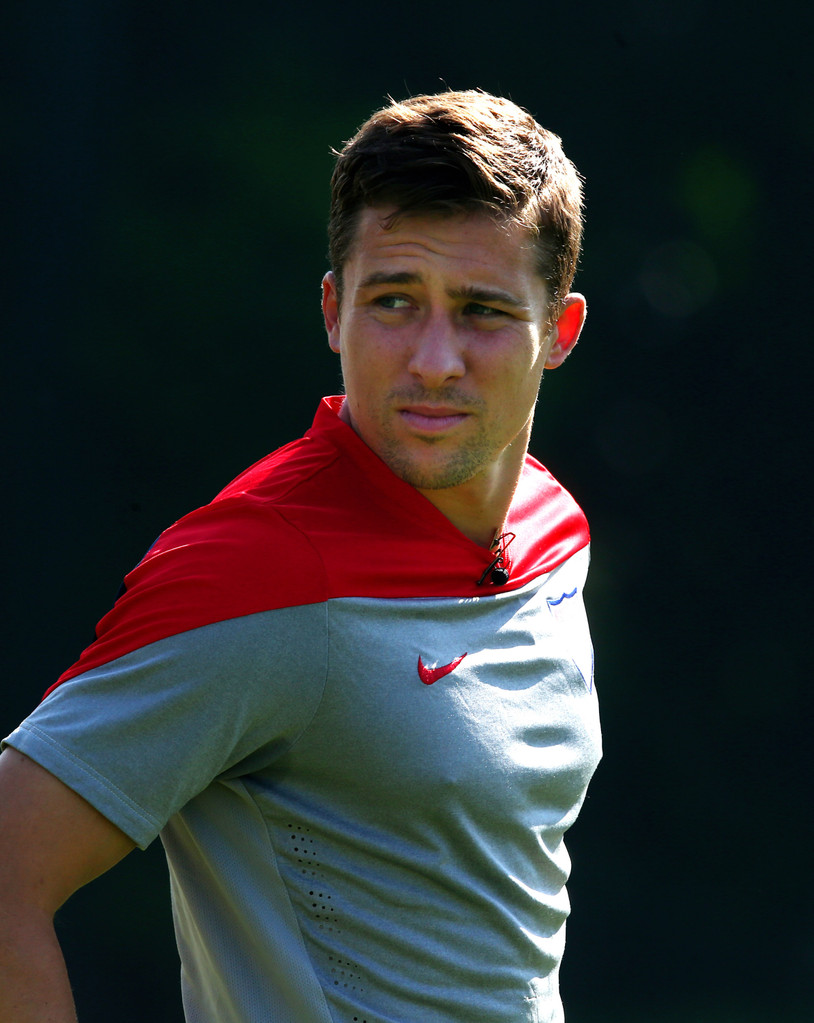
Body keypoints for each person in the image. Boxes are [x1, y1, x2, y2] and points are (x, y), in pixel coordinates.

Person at [0, 90, 602, 1023]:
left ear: (558, 333)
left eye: (482, 311)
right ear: (333, 311)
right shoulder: (257, 568)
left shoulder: (556, 529)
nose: (434, 359)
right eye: (394, 302)